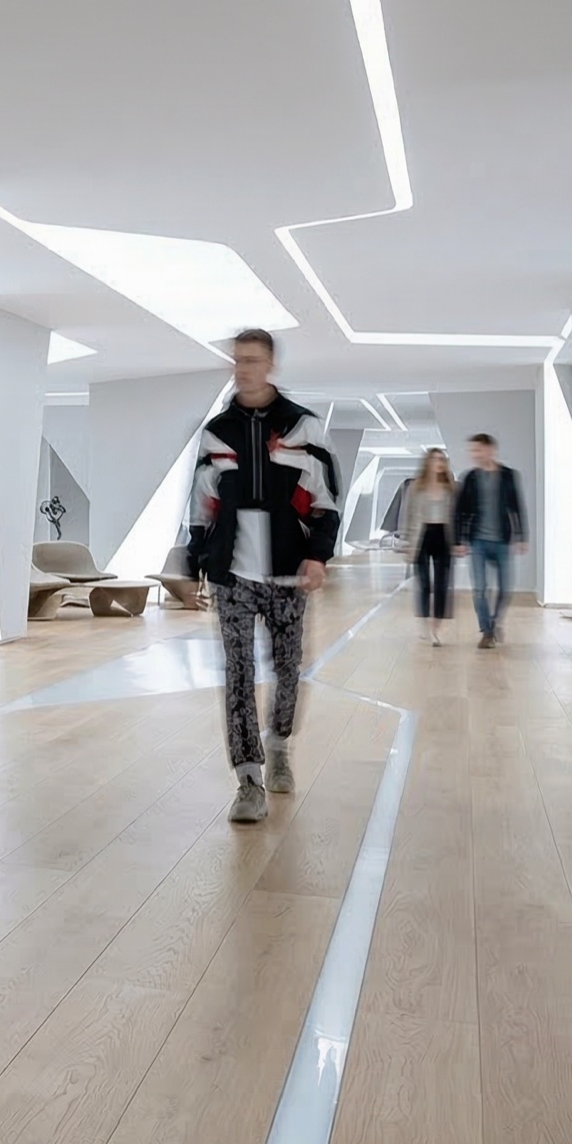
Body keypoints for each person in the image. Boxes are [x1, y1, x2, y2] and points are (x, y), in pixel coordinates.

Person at [186, 328, 340, 825]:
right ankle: (248, 780)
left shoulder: (303, 427)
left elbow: (326, 500)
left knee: (287, 669)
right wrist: (196, 562)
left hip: (288, 574)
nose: (243, 369)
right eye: (237, 360)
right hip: (233, 575)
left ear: (271, 364)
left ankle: (278, 746)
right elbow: (201, 504)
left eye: (252, 360)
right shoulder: (216, 432)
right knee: (238, 673)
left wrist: (318, 556)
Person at [452, 432, 528, 649]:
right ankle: (486, 631)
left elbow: (517, 507)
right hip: (478, 541)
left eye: (477, 449)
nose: (474, 454)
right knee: (479, 588)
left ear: (489, 450)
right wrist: (458, 540)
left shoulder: (509, 476)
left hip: (502, 540)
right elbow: (459, 511)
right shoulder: (470, 478)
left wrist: (522, 536)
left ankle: (495, 623)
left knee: (505, 588)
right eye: (472, 450)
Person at [401, 447, 456, 645]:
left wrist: (457, 541)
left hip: (443, 536)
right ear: (427, 463)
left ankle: (436, 629)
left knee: (442, 585)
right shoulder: (416, 486)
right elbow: (408, 515)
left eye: (441, 460)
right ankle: (423, 622)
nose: (438, 463)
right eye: (434, 459)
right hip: (421, 536)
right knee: (424, 584)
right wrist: (407, 541)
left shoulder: (450, 487)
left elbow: (456, 516)